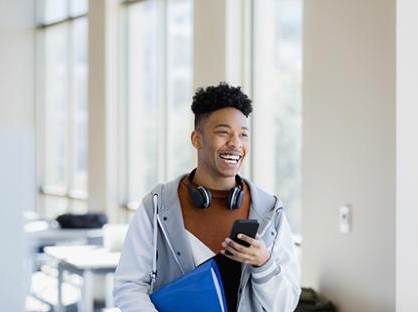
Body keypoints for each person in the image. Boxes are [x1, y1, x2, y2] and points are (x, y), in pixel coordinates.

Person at [113, 82, 301, 311]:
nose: (235, 143)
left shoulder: (270, 210)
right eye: (223, 132)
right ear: (196, 139)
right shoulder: (158, 205)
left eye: (243, 135)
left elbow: (286, 306)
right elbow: (129, 286)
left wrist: (264, 263)